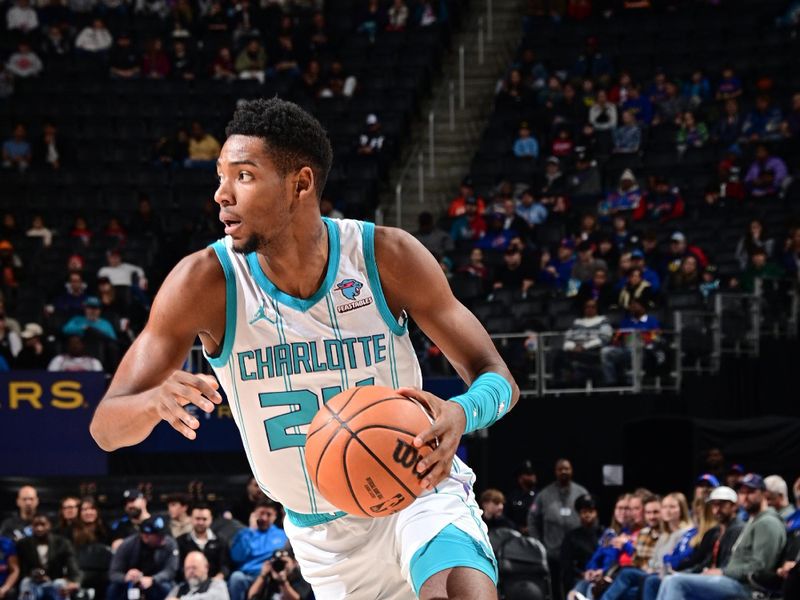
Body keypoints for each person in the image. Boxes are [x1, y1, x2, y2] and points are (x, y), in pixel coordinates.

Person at [90, 98, 520, 600]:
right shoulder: (204, 283)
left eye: (244, 176)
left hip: (415, 483)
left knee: (455, 588)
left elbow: (498, 377)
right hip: (324, 542)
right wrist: (151, 402)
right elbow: (105, 428)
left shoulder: (385, 256)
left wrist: (462, 412)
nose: (221, 194)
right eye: (220, 176)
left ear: (301, 182)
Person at [655, 474, 786, 600]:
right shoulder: (754, 521)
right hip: (733, 581)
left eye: (751, 492)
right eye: (742, 492)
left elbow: (760, 569)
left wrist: (724, 572)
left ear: (764, 494)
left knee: (675, 582)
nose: (745, 497)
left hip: (747, 587)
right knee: (669, 580)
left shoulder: (767, 522)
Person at [528, 458, 589, 593]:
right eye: (560, 469)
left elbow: (591, 516)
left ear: (572, 471)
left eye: (566, 469)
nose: (563, 472)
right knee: (553, 587)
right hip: (552, 551)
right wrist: (538, 543)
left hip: (576, 552)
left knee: (576, 587)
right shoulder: (544, 495)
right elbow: (532, 519)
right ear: (555, 472)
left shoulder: (581, 492)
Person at [107, 516, 178, 600]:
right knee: (113, 588)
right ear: (145, 536)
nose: (163, 538)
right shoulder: (127, 545)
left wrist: (153, 579)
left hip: (157, 581)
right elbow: (113, 573)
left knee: (167, 587)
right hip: (132, 582)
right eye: (158, 535)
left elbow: (171, 571)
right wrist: (126, 577)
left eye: (163, 534)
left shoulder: (170, 543)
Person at [228, 501, 288, 600]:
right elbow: (237, 557)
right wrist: (251, 531)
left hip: (270, 576)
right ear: (254, 514)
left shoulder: (282, 535)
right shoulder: (244, 534)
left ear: (275, 516)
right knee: (236, 577)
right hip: (247, 576)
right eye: (261, 513)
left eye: (268, 514)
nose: (264, 518)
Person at [17, 514, 82, 600]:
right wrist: (33, 575)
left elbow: (73, 566)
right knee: (26, 582)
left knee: (60, 584)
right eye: (36, 525)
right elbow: (19, 569)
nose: (39, 528)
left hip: (54, 581)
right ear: (31, 526)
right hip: (33, 582)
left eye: (43, 525)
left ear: (49, 525)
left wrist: (75, 583)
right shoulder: (23, 544)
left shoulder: (62, 543)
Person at [176, 504, 229, 581]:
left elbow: (225, 566)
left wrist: (217, 580)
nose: (200, 522)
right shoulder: (180, 541)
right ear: (191, 519)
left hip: (215, 583)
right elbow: (178, 567)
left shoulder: (220, 541)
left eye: (204, 519)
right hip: (188, 583)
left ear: (211, 519)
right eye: (197, 519)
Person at [247, 546, 311, 600]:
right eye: (278, 563)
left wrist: (283, 582)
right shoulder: (269, 576)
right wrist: (262, 575)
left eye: (284, 562)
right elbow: (251, 596)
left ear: (294, 563)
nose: (280, 565)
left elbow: (298, 599)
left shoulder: (303, 577)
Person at [506, 461, 537, 533]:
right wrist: (518, 528)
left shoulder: (540, 496)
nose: (532, 476)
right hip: (516, 535)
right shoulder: (512, 497)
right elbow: (506, 517)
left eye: (533, 474)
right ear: (520, 478)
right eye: (528, 474)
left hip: (536, 535)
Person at [0, 533, 19, 599]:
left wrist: (5, 588)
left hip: (3, 584)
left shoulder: (7, 544)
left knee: (12, 592)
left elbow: (14, 570)